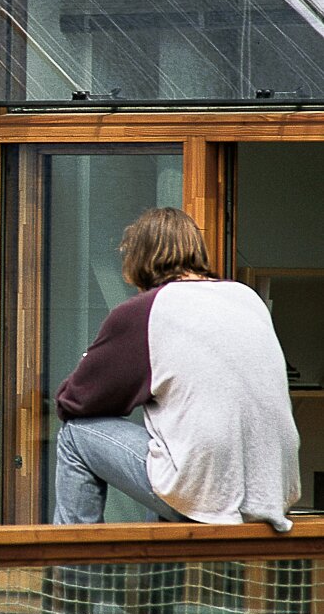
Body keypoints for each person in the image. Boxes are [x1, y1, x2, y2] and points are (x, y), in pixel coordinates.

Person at [53, 207, 301, 533]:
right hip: (273, 488)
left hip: (205, 486)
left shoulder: (147, 309)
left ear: (138, 260)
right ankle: (156, 586)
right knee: (166, 447)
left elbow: (75, 402)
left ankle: (74, 579)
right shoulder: (247, 296)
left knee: (75, 435)